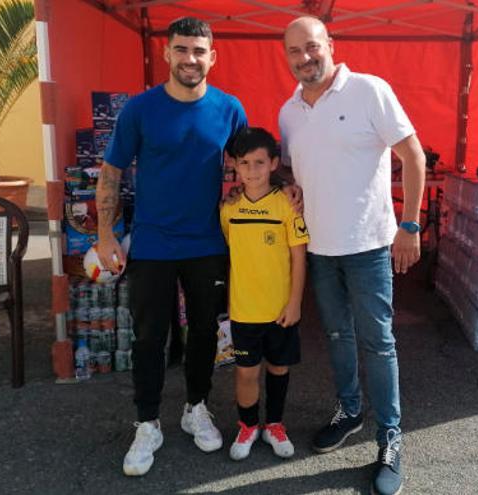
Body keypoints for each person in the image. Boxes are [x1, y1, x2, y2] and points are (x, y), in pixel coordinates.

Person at [278, 17, 427, 495]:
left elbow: (413, 155)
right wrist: (293, 190)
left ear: (330, 46)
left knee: (378, 343)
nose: (305, 57)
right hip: (320, 248)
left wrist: (410, 224)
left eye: (312, 47)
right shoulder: (289, 112)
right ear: (288, 58)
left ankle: (390, 438)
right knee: (338, 337)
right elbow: (293, 170)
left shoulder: (369, 90)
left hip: (367, 246)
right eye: (295, 51)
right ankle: (349, 411)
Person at [95, 18, 247, 476]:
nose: (190, 59)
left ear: (212, 57)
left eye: (199, 51)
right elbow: (111, 172)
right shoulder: (140, 110)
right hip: (153, 243)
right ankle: (147, 423)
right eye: (181, 50)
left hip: (207, 243)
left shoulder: (229, 108)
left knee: (203, 333)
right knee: (149, 337)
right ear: (166, 54)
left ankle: (196, 407)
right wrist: (104, 234)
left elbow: (250, 166)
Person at [219, 127, 308, 461]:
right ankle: (247, 426)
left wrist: (295, 302)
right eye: (245, 163)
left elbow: (299, 256)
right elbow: (230, 251)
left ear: (273, 163)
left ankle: (274, 424)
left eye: (259, 162)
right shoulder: (228, 209)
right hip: (244, 311)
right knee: (245, 372)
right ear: (235, 167)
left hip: (280, 310)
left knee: (279, 368)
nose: (252, 170)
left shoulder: (287, 204)